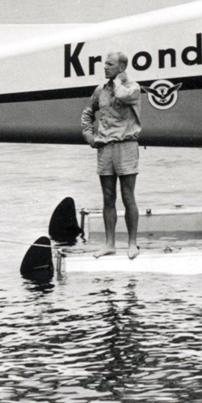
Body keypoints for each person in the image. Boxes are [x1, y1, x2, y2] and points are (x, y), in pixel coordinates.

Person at [81, 51, 142, 259]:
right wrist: (90, 137)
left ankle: (132, 243)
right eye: (104, 64)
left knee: (128, 196)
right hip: (105, 147)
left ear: (121, 67)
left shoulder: (133, 88)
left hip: (126, 146)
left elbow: (123, 96)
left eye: (110, 65)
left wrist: (118, 81)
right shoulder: (100, 90)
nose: (104, 67)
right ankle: (109, 243)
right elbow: (88, 113)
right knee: (108, 197)